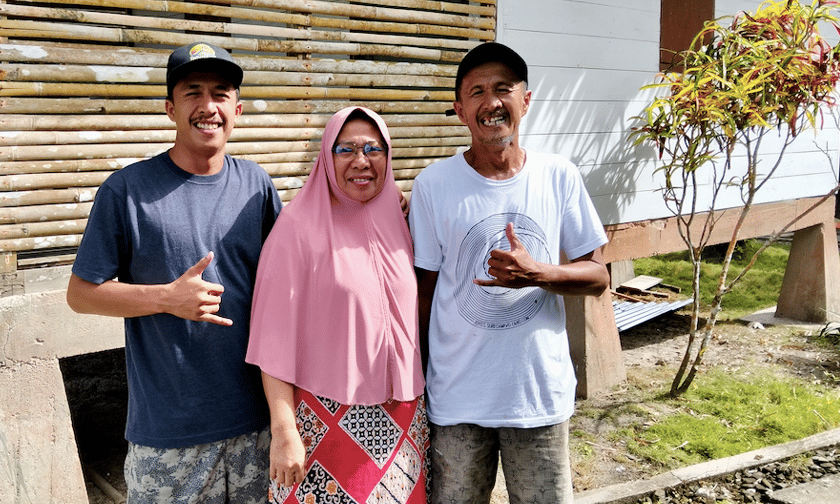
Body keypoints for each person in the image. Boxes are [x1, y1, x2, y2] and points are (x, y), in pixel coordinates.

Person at [66, 41, 283, 503]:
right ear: (170, 107)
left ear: (237, 109)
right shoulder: (127, 191)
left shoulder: (256, 186)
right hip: (169, 437)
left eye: (221, 93)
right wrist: (167, 298)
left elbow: (292, 272)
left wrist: (390, 203)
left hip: (255, 428)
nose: (208, 107)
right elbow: (81, 294)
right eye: (193, 92)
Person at [408, 42, 610, 503]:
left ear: (526, 100)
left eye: (503, 88)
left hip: (536, 394)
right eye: (476, 91)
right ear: (460, 110)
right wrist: (416, 377)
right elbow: (424, 292)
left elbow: (599, 277)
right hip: (457, 396)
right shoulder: (433, 185)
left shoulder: (559, 176)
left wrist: (539, 273)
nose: (490, 102)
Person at [246, 106, 428, 504]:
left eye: (373, 149)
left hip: (402, 421)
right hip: (325, 422)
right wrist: (284, 430)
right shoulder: (296, 228)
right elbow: (272, 341)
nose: (361, 161)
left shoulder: (399, 219)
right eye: (345, 150)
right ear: (326, 159)